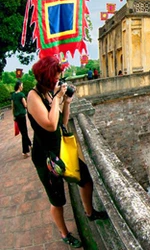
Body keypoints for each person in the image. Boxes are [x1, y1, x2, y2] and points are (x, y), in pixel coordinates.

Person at [27, 56, 108, 248]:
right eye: (55, 77)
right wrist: (57, 98)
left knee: (85, 179)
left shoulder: (48, 94)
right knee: (57, 200)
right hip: (47, 157)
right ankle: (64, 233)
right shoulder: (34, 96)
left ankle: (90, 212)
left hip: (61, 148)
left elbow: (62, 123)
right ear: (47, 76)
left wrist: (67, 102)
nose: (58, 80)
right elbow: (49, 124)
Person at [11, 80, 32, 157]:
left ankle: (30, 144)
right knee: (24, 133)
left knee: (23, 132)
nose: (22, 86)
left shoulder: (13, 95)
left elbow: (12, 107)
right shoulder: (21, 94)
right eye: (22, 85)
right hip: (22, 116)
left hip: (17, 116)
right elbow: (25, 105)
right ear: (19, 86)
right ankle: (25, 151)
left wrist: (14, 116)